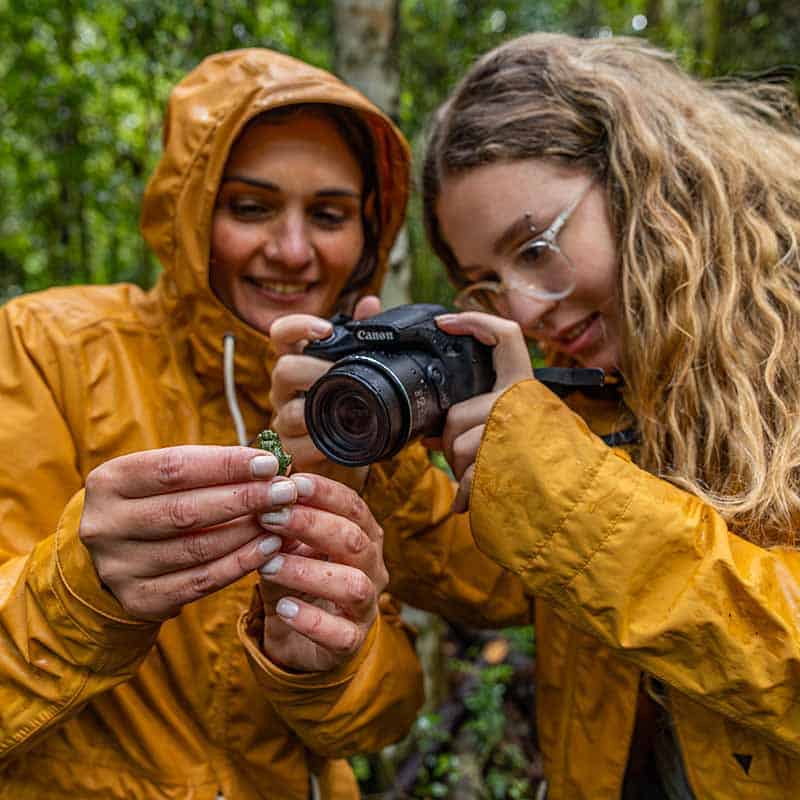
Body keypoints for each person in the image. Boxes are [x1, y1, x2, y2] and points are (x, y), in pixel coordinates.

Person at [271, 33, 800, 799]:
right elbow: (511, 585)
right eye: (485, 281)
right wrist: (377, 452)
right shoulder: (610, 376)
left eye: (536, 246)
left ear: (645, 178)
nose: (523, 308)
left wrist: (566, 493)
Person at [0, 48, 423, 800]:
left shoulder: (354, 406)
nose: (292, 251)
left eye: (327, 216)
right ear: (191, 216)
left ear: (368, 236)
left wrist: (326, 668)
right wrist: (81, 591)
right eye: (251, 207)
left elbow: (382, 716)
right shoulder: (46, 346)